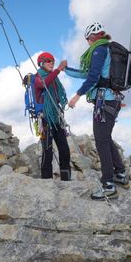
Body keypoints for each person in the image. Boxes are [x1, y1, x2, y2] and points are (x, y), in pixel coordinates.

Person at [65, 22, 129, 200]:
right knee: (106, 138)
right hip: (112, 100)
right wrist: (66, 70)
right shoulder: (106, 49)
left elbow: (92, 77)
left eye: (87, 40)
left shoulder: (98, 50)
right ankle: (120, 174)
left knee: (101, 142)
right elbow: (89, 73)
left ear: (91, 37)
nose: (87, 43)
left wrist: (77, 96)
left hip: (104, 101)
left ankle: (108, 185)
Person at [33, 52, 72, 181]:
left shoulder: (54, 79)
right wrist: (58, 69)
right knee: (47, 152)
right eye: (49, 61)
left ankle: (66, 180)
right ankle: (46, 181)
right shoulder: (37, 77)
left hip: (56, 118)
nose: (52, 63)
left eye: (53, 61)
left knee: (64, 150)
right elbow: (43, 84)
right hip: (45, 119)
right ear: (42, 63)